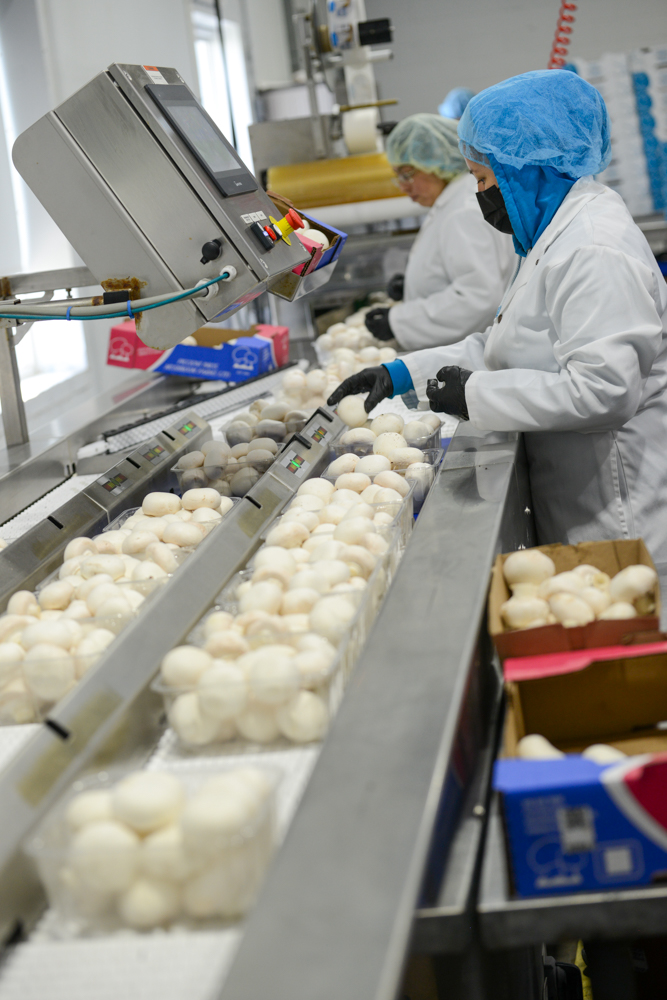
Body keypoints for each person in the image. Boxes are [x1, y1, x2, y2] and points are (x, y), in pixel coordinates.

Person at [329, 70, 667, 569]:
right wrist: (402, 372)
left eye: (484, 180)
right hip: (575, 486)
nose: (480, 195)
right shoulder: (554, 236)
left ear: (527, 170)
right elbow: (509, 344)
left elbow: (604, 392)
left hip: (617, 505)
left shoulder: (594, 248)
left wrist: (474, 396)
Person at [363, 113, 514, 351]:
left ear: (436, 160)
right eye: (398, 177)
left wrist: (399, 322)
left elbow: (478, 298)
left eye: (407, 174)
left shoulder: (462, 211)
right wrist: (414, 284)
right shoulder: (452, 202)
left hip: (469, 357)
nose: (403, 186)